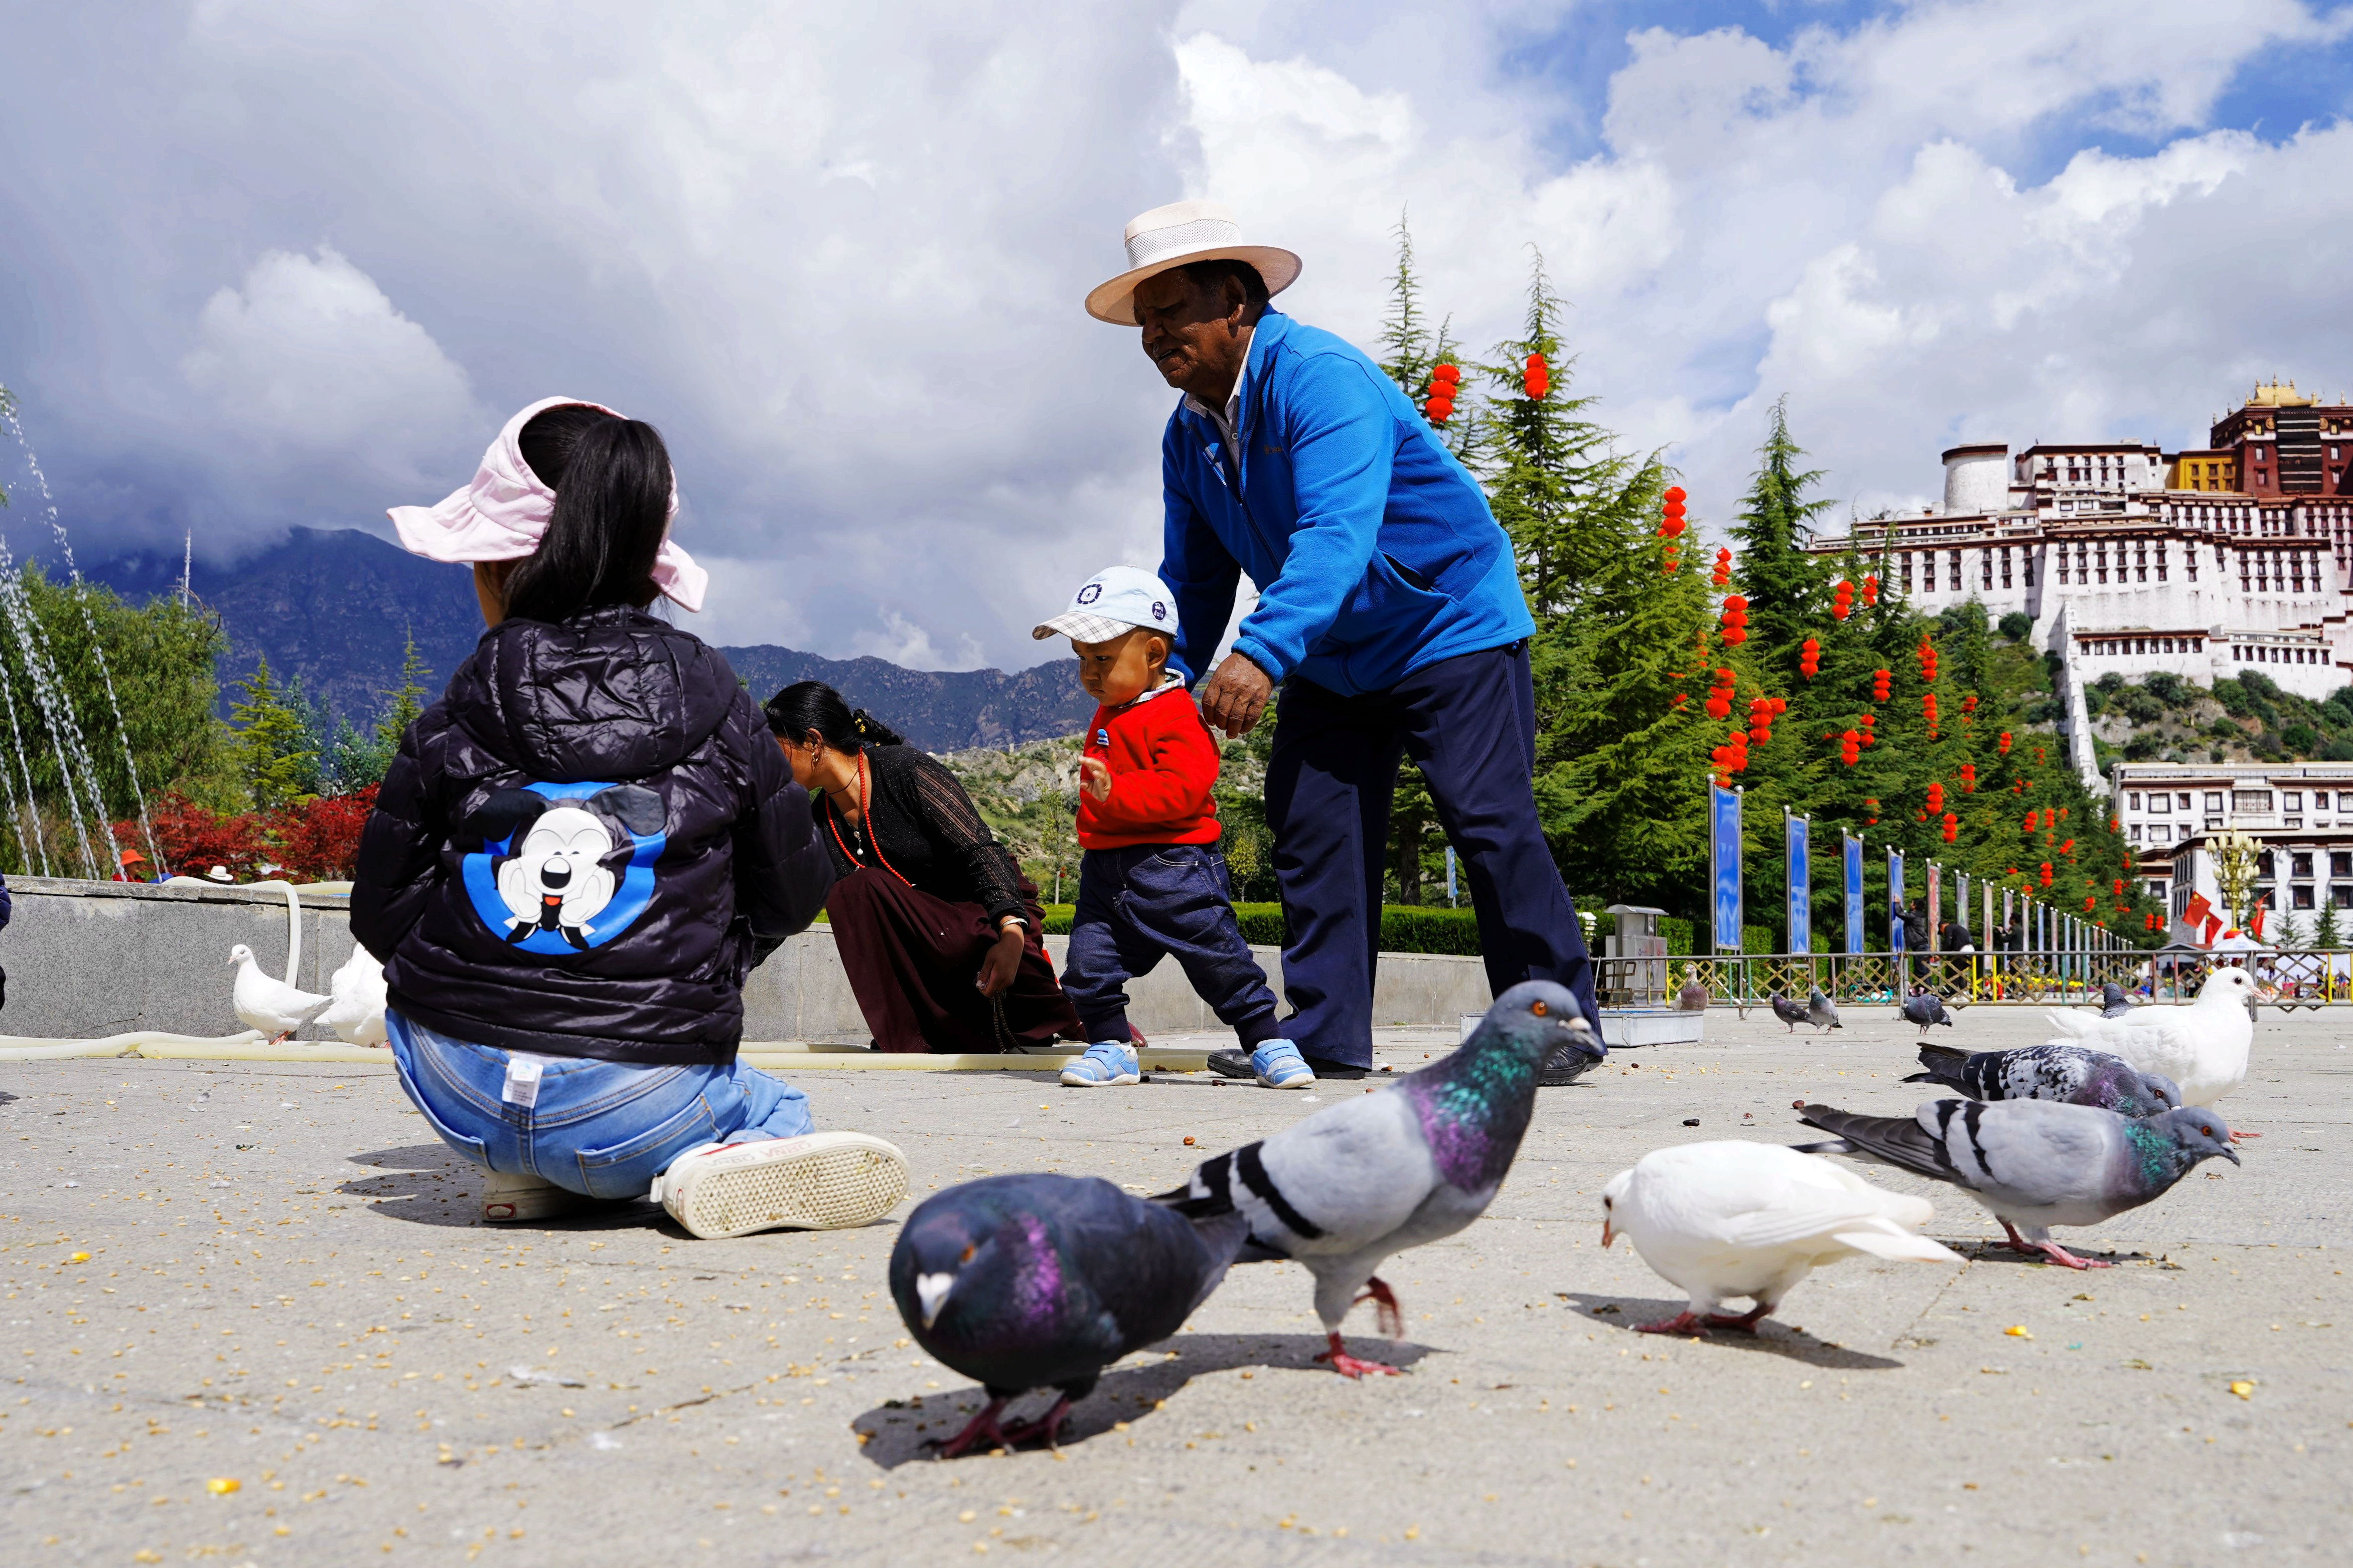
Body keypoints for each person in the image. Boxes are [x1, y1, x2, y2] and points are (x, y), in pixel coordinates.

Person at [353, 396, 908, 1236]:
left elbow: (380, 914)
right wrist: (687, 973)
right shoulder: (722, 704)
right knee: (779, 1105)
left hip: (457, 1091)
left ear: (499, 568)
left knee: (478, 1048)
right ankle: (682, 1163)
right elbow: (793, 897)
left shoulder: (451, 715)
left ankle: (536, 1169)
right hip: (647, 1095)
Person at [1085, 199, 1605, 1084]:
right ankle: (1325, 1034)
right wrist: (1158, 686)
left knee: (1487, 819)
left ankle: (1554, 1026)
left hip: (1447, 621)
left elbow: (1337, 533)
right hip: (1331, 648)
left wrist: (1260, 654)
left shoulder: (1321, 378)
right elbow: (1197, 577)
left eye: (1175, 312)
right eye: (1146, 321)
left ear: (1238, 303)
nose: (1156, 335)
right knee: (1310, 822)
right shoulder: (1187, 438)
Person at [1031, 566, 1308, 1090]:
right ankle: (1110, 1047)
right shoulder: (1110, 710)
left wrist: (1116, 795)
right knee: (1089, 964)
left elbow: (1184, 789)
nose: (1088, 673)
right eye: (1082, 660)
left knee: (1218, 959)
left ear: (1154, 655)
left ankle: (1268, 1042)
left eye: (1102, 659)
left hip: (1173, 866)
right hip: (1106, 869)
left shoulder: (1176, 715)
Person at [767, 681, 1081, 1054]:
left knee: (860, 887)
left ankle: (1075, 1015)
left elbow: (981, 850)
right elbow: (780, 911)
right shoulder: (817, 824)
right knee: (853, 891)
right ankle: (916, 1033)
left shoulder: (905, 769)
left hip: (986, 925)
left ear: (813, 743)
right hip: (930, 957)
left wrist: (1011, 932)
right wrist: (714, 981)